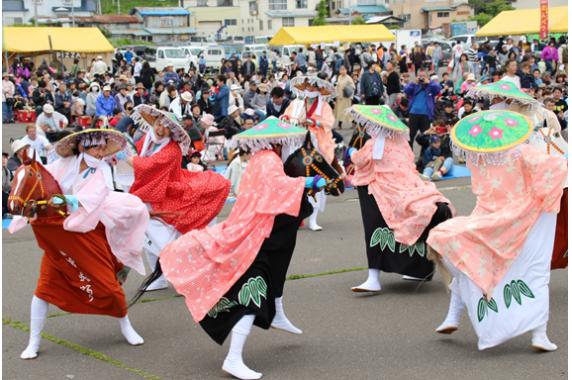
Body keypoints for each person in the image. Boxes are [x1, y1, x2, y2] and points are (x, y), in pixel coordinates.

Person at [160, 119, 321, 380]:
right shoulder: (269, 159)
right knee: (251, 297)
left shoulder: (261, 158)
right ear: (278, 141)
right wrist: (307, 183)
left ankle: (276, 314)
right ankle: (233, 358)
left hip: (254, 232)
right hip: (252, 236)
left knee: (269, 279)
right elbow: (276, 189)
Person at [427, 110, 567, 352]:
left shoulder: (482, 158)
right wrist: (548, 142)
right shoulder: (520, 152)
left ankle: (455, 316)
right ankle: (538, 334)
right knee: (534, 272)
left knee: (458, 252)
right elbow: (555, 165)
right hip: (518, 219)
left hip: (504, 219)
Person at [12, 129, 150, 360]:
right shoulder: (61, 165)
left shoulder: (102, 170)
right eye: (96, 147)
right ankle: (33, 341)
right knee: (43, 290)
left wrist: (68, 200)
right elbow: (41, 183)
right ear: (83, 148)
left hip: (85, 231)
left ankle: (126, 326)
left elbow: (95, 198)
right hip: (58, 235)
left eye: (102, 147)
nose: (101, 151)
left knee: (110, 289)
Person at [348, 105, 453, 292]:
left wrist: (351, 153)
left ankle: (374, 277)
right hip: (409, 186)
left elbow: (359, 160)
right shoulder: (402, 142)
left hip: (383, 190)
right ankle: (419, 269)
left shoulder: (374, 143)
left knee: (375, 230)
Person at [125, 105, 230, 291]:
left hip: (168, 194)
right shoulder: (147, 140)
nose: (159, 128)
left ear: (172, 131)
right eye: (158, 123)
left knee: (163, 240)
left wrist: (125, 157)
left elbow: (148, 166)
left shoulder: (171, 150)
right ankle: (159, 277)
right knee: (146, 237)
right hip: (148, 195)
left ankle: (189, 275)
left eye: (165, 126)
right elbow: (138, 157)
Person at [283, 72, 340, 231]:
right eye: (307, 86)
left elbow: (329, 123)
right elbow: (286, 115)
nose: (310, 89)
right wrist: (286, 118)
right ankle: (296, 216)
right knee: (295, 181)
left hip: (316, 146)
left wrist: (313, 121)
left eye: (313, 86)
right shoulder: (296, 103)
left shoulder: (325, 106)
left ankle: (313, 219)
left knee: (316, 182)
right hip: (296, 145)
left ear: (319, 89)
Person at [404, 69, 441, 145]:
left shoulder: (430, 85)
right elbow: (406, 90)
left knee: (425, 136)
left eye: (423, 76)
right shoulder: (414, 85)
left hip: (426, 114)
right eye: (420, 76)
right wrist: (413, 83)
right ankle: (409, 154)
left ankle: (423, 155)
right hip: (413, 113)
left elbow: (438, 89)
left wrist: (429, 82)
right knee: (410, 136)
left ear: (427, 76)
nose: (421, 78)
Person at [2, 152, 12, 218]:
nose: (3, 160)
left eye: (5, 158)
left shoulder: (6, 171)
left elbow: (6, 188)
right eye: (1, 158)